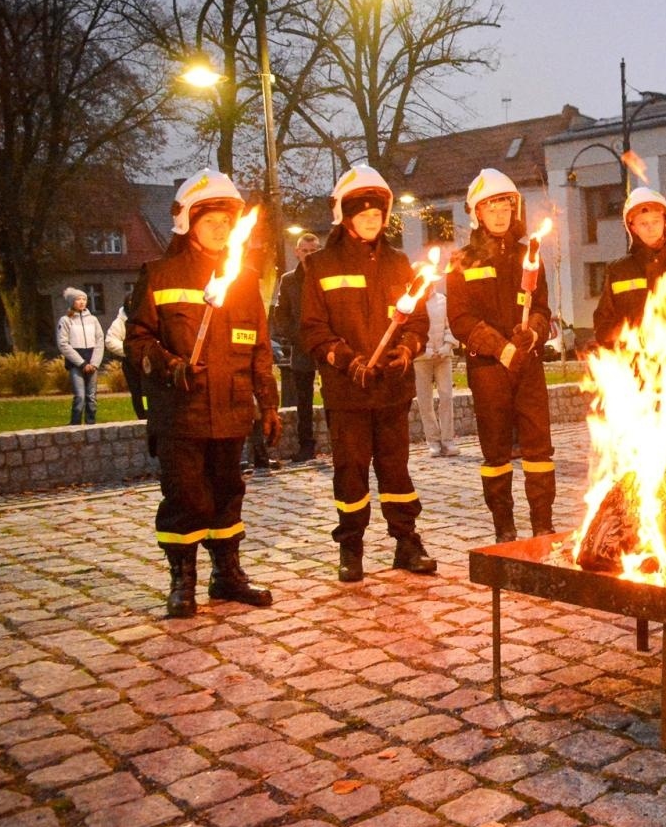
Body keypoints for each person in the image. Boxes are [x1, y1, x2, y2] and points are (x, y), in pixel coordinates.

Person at [125, 168, 279, 617]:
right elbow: (136, 341)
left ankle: (227, 575)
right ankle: (183, 580)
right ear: (188, 222)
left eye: (226, 221)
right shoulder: (159, 273)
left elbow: (260, 348)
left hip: (231, 408)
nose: (220, 228)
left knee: (228, 492)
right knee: (186, 497)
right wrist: (170, 366)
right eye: (210, 219)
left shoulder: (245, 279)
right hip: (181, 413)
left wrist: (267, 404)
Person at [301, 163, 437, 580]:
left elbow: (417, 322)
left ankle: (406, 541)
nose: (372, 221)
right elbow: (312, 329)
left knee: (396, 469)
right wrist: (346, 360)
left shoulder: (399, 264)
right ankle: (352, 547)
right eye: (363, 214)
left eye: (378, 215)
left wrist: (407, 349)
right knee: (351, 469)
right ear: (345, 216)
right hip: (347, 393)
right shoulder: (320, 266)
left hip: (392, 391)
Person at [446, 168, 557, 542]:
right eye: (490, 207)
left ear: (515, 209)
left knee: (539, 446)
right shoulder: (461, 261)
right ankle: (504, 526)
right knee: (495, 452)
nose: (499, 214)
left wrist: (533, 332)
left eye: (505, 206)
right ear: (477, 213)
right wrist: (500, 347)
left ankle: (543, 522)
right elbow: (460, 319)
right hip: (488, 367)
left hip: (528, 365)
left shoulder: (531, 255)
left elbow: (542, 307)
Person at [592, 187, 666, 349]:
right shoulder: (618, 271)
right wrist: (629, 334)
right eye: (643, 223)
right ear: (633, 228)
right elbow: (603, 324)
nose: (650, 228)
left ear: (665, 223)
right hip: (633, 366)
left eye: (655, 221)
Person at [271, 231, 321, 461]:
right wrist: (294, 335)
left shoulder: (327, 276)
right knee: (303, 400)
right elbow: (281, 314)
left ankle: (341, 440)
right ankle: (306, 445)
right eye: (305, 250)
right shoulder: (289, 280)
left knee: (335, 397)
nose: (309, 255)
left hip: (328, 345)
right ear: (297, 252)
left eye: (314, 251)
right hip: (301, 347)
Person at [415, 277, 458, 458]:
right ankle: (433, 441)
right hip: (421, 359)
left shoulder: (442, 300)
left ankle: (448, 440)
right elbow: (410, 330)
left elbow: (451, 326)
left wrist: (447, 346)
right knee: (425, 401)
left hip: (443, 356)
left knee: (446, 396)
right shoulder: (412, 302)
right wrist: (424, 350)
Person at [57, 287, 104, 426]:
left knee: (92, 396)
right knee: (80, 396)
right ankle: (75, 424)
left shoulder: (93, 320)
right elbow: (63, 344)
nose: (82, 302)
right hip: (76, 364)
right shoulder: (65, 320)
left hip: (92, 361)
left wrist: (94, 363)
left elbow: (99, 340)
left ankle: (91, 423)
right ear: (72, 302)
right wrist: (82, 363)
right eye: (78, 299)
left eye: (84, 299)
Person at [105, 302, 147, 419]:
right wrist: (129, 350)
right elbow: (110, 341)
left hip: (149, 362)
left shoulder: (147, 317)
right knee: (139, 392)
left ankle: (151, 414)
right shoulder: (120, 321)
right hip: (132, 363)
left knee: (150, 392)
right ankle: (143, 415)